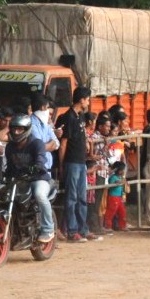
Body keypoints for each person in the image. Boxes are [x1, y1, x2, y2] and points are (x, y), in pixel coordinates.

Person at [3, 114, 55, 243]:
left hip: (39, 178)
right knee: (3, 196)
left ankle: (48, 229)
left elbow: (41, 160)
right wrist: (4, 176)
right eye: (14, 129)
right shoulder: (10, 147)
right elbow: (10, 166)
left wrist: (36, 167)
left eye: (20, 129)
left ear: (27, 129)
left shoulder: (36, 143)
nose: (16, 132)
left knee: (39, 195)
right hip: (20, 180)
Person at [59, 87, 94, 242]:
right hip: (72, 162)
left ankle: (83, 229)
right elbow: (64, 143)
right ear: (81, 100)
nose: (88, 102)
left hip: (80, 162)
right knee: (72, 197)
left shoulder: (79, 116)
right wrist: (61, 164)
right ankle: (72, 231)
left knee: (81, 198)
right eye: (87, 99)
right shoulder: (69, 117)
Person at [104, 161, 129, 231]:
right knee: (111, 212)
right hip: (113, 197)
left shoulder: (121, 177)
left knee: (122, 212)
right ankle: (108, 226)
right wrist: (119, 182)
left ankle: (122, 225)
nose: (123, 171)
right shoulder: (113, 177)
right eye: (122, 170)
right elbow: (112, 183)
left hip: (119, 197)